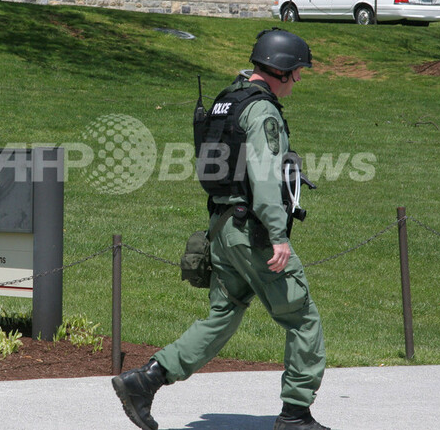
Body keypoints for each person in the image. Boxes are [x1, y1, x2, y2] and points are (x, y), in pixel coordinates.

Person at [112, 28, 331, 430]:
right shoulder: (261, 110)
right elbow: (266, 178)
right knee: (303, 320)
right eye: (297, 70)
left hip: (222, 227)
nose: (299, 79)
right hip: (253, 233)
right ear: (280, 69)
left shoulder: (227, 100)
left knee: (223, 314)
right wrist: (279, 236)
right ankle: (296, 415)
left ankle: (145, 380)